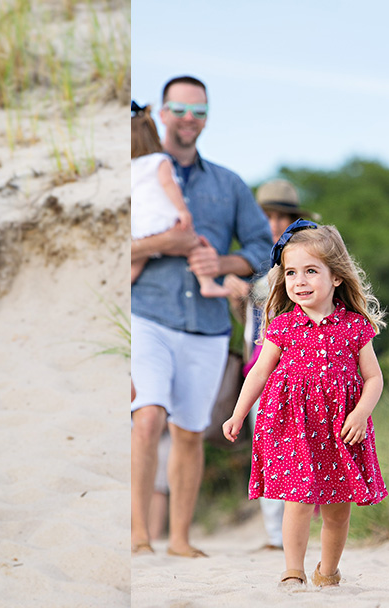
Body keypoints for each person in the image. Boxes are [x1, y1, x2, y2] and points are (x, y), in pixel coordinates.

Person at [130, 76, 272, 557]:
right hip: (146, 312)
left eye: (199, 111)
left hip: (208, 326)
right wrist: (160, 246)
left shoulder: (229, 184)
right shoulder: (133, 171)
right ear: (162, 113)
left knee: (190, 431)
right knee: (146, 418)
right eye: (180, 109)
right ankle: (137, 537)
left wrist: (225, 264)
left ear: (207, 117)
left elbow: (262, 249)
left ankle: (181, 540)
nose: (189, 119)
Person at [223, 220, 387, 588]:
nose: (300, 281)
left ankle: (328, 572)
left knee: (337, 509)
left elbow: (374, 378)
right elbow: (259, 373)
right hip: (292, 426)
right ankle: (292, 570)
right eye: (292, 273)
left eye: (311, 271)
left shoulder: (355, 326)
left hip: (342, 429)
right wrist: (237, 413)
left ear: (337, 278)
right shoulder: (281, 325)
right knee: (296, 500)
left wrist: (361, 413)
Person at [226, 180, 320, 552]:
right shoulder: (250, 261)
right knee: (266, 448)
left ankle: (298, 530)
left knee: (307, 446)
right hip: (260, 365)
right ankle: (273, 534)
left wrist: (248, 290)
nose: (275, 223)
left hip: (302, 368)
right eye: (267, 215)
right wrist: (239, 298)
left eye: (283, 216)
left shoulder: (302, 262)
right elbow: (249, 324)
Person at [131, 101, 229, 298]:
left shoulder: (131, 167)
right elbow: (169, 185)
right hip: (166, 220)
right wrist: (183, 210)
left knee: (137, 262)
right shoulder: (159, 161)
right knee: (194, 245)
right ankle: (207, 283)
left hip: (141, 225)